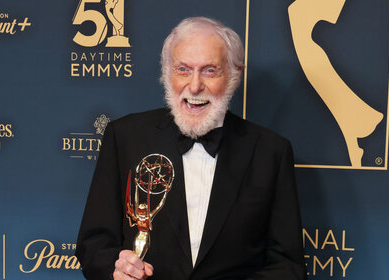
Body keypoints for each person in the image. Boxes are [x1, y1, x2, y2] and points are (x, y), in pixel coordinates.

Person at [76, 17, 306, 280]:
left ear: (234, 75)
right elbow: (93, 245)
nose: (195, 86)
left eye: (210, 71)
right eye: (183, 69)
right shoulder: (125, 137)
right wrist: (116, 269)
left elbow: (289, 267)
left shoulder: (271, 152)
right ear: (166, 73)